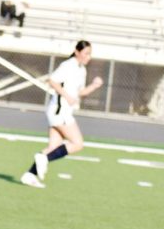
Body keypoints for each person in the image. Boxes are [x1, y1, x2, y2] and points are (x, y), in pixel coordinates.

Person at [20, 40, 104, 188]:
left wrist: (94, 86)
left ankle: (30, 175)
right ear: (77, 52)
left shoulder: (81, 69)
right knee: (77, 144)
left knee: (53, 147)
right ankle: (42, 158)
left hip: (62, 111)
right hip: (60, 110)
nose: (88, 57)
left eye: (90, 54)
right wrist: (66, 96)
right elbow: (52, 80)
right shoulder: (68, 65)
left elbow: (80, 93)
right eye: (86, 53)